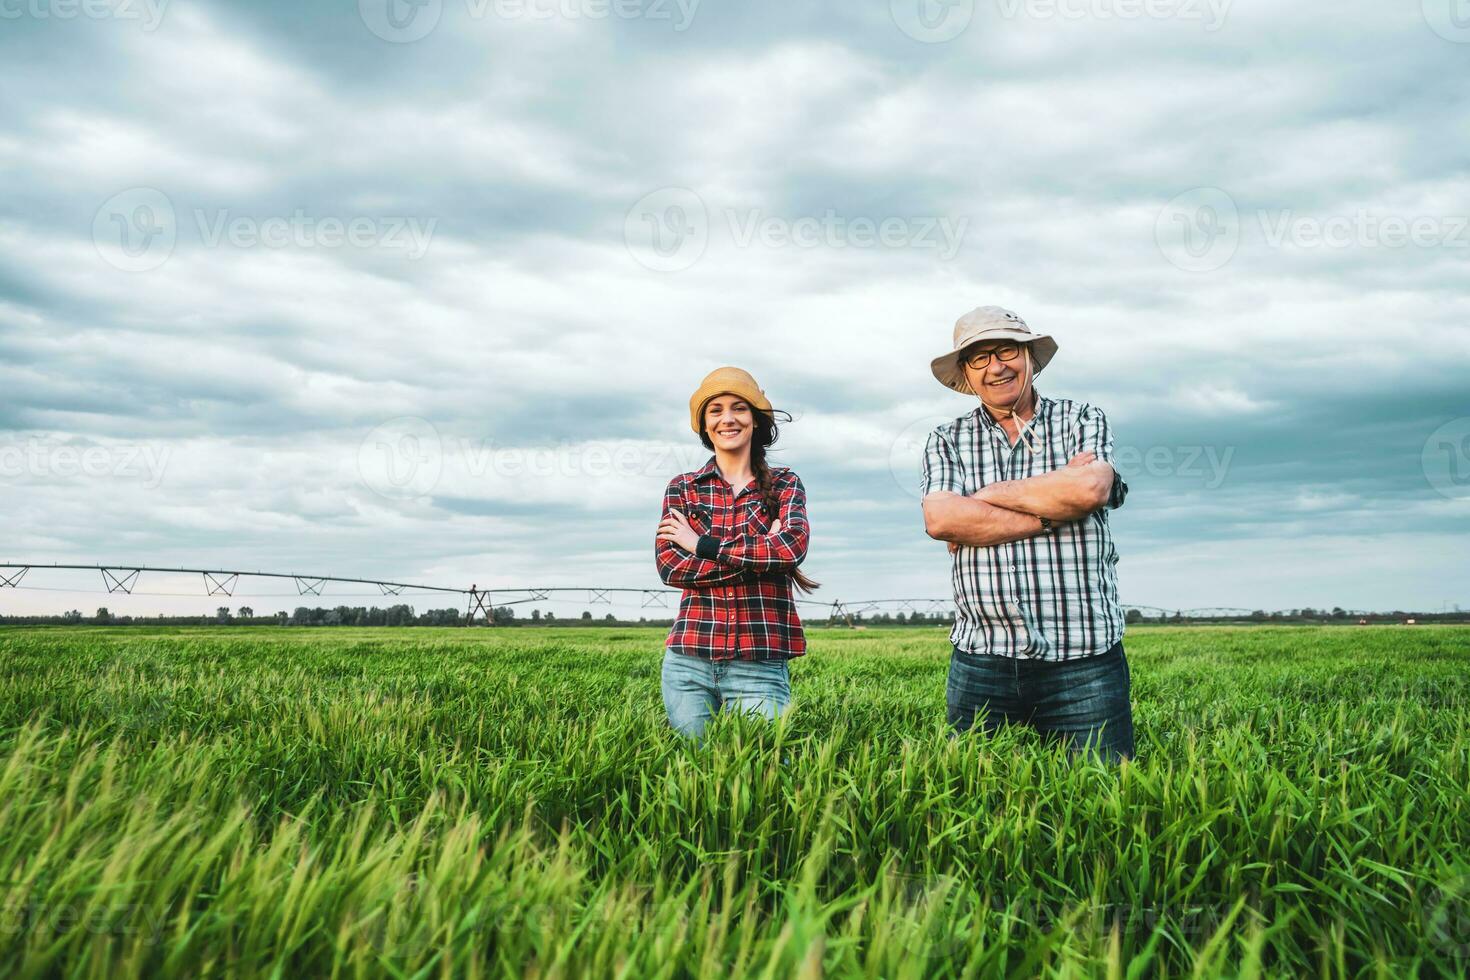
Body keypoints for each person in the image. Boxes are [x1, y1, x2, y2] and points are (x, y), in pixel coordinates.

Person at [919, 306, 1134, 760]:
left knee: (1103, 801)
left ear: (1030, 357)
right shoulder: (946, 439)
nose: (996, 367)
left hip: (1084, 655)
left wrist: (984, 496)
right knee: (976, 802)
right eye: (979, 358)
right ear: (966, 374)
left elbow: (1091, 488)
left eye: (1006, 351)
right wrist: (1050, 511)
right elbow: (941, 520)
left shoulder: (1080, 418)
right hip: (982, 657)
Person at [654, 367, 818, 738]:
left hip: (759, 659)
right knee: (692, 773)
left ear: (755, 421)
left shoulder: (785, 483)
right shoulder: (683, 489)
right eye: (716, 410)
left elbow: (791, 547)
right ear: (705, 425)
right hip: (687, 658)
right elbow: (671, 567)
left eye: (739, 408)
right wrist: (760, 560)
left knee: (766, 770)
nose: (727, 418)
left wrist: (702, 546)